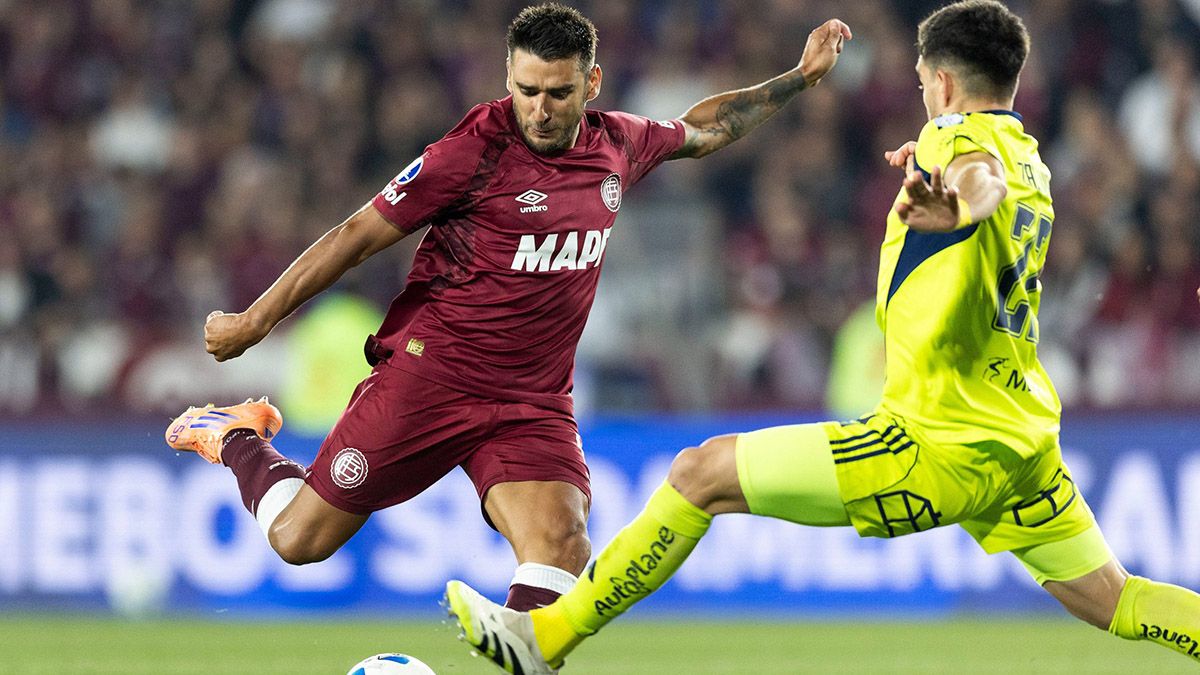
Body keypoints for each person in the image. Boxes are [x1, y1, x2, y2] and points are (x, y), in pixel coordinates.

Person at [444, 1, 1200, 671]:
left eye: (920, 82)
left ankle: (544, 637)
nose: (921, 97)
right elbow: (994, 176)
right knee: (1114, 597)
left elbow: (978, 178)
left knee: (699, 475)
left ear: (940, 83)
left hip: (936, 442)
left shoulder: (956, 143)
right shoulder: (1031, 157)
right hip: (1020, 436)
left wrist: (957, 208)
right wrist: (942, 182)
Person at [163, 3, 852, 612]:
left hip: (532, 399)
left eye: (558, 92)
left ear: (592, 83)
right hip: (432, 378)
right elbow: (355, 237)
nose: (540, 109)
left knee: (562, 546)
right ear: (508, 80)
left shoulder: (617, 144)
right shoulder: (470, 153)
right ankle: (236, 435)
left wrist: (799, 77)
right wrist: (254, 320)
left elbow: (707, 129)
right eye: (526, 91)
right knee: (299, 540)